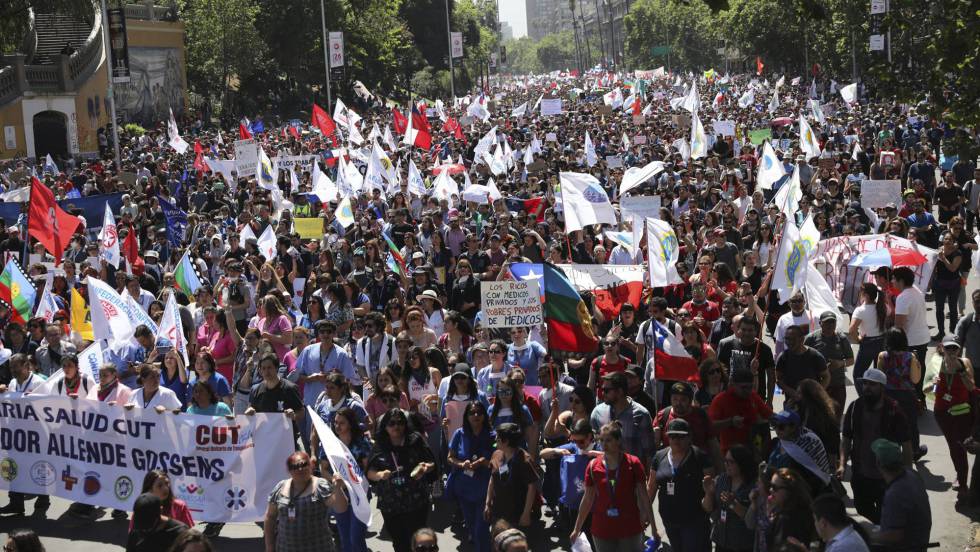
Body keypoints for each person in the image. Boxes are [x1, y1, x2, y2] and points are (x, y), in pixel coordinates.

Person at [838, 368, 913, 523]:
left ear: (882, 388)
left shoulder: (894, 411)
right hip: (860, 474)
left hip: (885, 476)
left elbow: (906, 445)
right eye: (865, 383)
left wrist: (907, 475)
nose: (867, 388)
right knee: (861, 508)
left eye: (872, 384)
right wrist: (842, 464)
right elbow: (846, 439)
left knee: (886, 512)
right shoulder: (855, 408)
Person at [571, 420, 655, 552]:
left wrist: (654, 528)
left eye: (608, 440)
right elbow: (587, 499)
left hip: (629, 528)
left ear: (618, 441)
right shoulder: (593, 466)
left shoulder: (633, 463)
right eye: (601, 440)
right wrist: (576, 529)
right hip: (602, 530)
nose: (604, 444)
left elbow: (644, 497)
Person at [367, 408, 438, 552]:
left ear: (405, 424)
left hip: (416, 502)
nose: (396, 426)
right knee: (399, 543)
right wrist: (379, 475)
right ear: (385, 426)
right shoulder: (379, 445)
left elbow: (432, 463)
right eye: (391, 423)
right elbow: (369, 472)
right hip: (391, 505)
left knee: (417, 543)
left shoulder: (415, 440)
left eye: (400, 422)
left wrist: (425, 467)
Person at [263, 451, 349, 552]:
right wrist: (269, 547)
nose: (300, 469)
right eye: (294, 466)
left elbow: (341, 508)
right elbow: (270, 517)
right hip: (285, 548)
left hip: (318, 547)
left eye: (304, 464)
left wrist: (338, 488)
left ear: (311, 465)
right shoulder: (280, 487)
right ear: (289, 470)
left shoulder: (321, 486)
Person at [648, 419, 713, 551]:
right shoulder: (659, 456)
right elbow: (651, 487)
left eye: (681, 436)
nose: (676, 440)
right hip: (669, 519)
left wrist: (709, 495)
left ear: (689, 437)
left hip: (694, 521)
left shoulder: (700, 457)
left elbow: (710, 488)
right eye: (672, 436)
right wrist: (645, 513)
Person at [446, 401, 494, 552]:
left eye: (479, 412)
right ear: (466, 416)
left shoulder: (493, 436)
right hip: (464, 487)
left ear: (484, 416)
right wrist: (462, 464)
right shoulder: (459, 434)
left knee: (481, 528)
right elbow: (450, 458)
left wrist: (483, 462)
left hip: (484, 488)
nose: (476, 415)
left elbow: (498, 461)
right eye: (472, 413)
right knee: (471, 525)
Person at [933, 335, 975, 503]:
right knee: (953, 445)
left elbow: (971, 386)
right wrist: (933, 383)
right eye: (948, 348)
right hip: (942, 412)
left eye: (954, 348)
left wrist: (960, 371)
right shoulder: (936, 362)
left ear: (959, 349)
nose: (951, 351)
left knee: (960, 446)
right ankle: (960, 474)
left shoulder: (964, 362)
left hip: (961, 412)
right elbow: (928, 387)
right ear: (942, 348)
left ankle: (963, 484)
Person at [870, 439, 932, 552]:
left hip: (908, 546)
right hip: (920, 540)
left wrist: (868, 537)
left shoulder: (895, 493)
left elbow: (894, 536)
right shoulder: (912, 474)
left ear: (878, 464)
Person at [877, 327, 924, 458]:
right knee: (911, 424)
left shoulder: (882, 356)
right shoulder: (911, 357)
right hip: (907, 395)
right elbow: (915, 379)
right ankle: (914, 450)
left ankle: (892, 451)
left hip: (888, 395)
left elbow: (880, 377)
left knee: (890, 424)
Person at [589, 372, 655, 466]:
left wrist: (648, 479)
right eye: (601, 389)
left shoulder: (641, 414)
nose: (603, 393)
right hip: (604, 474)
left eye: (606, 390)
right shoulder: (597, 412)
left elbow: (649, 453)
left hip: (632, 475)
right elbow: (592, 444)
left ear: (620, 391)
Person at [701, 444, 756, 552]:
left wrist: (733, 504)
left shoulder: (754, 486)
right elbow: (707, 508)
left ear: (742, 463)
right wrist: (709, 493)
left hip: (742, 544)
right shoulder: (722, 479)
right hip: (721, 541)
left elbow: (752, 518)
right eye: (725, 461)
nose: (726, 465)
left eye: (731, 462)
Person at [485, 422, 539, 529]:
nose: (495, 440)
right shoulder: (496, 455)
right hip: (497, 513)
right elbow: (492, 478)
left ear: (506, 441)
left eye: (498, 438)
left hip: (516, 516)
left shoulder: (524, 460)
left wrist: (526, 513)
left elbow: (532, 487)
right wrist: (487, 503)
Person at [708, 369, 773, 457]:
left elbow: (770, 415)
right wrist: (730, 422)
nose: (747, 391)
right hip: (730, 453)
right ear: (732, 384)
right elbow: (710, 426)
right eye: (743, 387)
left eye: (750, 387)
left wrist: (785, 417)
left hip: (753, 452)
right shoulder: (720, 399)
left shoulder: (753, 396)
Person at [767, 410, 833, 496]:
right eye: (774, 425)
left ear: (793, 427)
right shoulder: (777, 442)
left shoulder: (807, 444)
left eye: (781, 426)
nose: (777, 430)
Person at [803, 311, 852, 421]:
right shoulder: (811, 338)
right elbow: (803, 357)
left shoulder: (842, 338)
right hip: (819, 385)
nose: (830, 326)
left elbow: (851, 360)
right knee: (819, 418)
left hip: (838, 384)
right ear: (820, 323)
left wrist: (840, 363)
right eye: (827, 323)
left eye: (832, 322)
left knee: (836, 418)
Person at [891, 266, 930, 401]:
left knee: (910, 373)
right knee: (920, 368)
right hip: (922, 338)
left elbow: (898, 326)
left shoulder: (903, 297)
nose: (892, 281)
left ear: (901, 281)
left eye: (894, 278)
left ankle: (913, 401)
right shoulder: (917, 291)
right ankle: (920, 399)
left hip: (910, 341)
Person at [716, 317, 775, 404]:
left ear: (756, 331)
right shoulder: (727, 345)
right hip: (730, 396)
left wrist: (769, 401)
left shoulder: (764, 349)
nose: (747, 333)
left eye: (750, 330)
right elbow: (720, 371)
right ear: (738, 330)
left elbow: (771, 377)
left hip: (756, 398)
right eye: (743, 330)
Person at [786, 494, 870, 552]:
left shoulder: (841, 547)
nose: (814, 524)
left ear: (823, 523)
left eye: (815, 520)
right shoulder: (845, 538)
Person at [774, 325, 828, 405]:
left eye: (793, 339)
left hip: (813, 404)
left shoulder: (815, 356)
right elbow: (778, 379)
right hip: (791, 403)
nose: (789, 342)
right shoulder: (783, 357)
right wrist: (792, 392)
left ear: (802, 339)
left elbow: (826, 377)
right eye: (787, 339)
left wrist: (817, 393)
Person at [849, 282, 888, 391]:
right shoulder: (882, 307)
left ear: (865, 295)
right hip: (882, 342)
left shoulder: (860, 310)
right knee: (879, 375)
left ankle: (864, 398)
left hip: (868, 344)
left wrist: (858, 340)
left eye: (860, 292)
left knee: (858, 374)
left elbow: (851, 330)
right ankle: (879, 397)